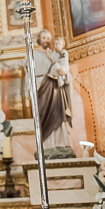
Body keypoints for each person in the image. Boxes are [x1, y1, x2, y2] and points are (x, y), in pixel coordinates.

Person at [32, 29, 75, 158]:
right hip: (43, 90)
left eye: (48, 38)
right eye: (44, 38)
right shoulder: (34, 55)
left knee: (59, 115)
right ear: (39, 40)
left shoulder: (56, 54)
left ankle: (61, 144)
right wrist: (40, 84)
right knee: (45, 118)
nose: (46, 41)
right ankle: (47, 145)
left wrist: (65, 74)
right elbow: (30, 76)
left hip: (56, 89)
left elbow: (66, 71)